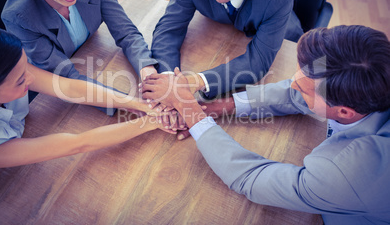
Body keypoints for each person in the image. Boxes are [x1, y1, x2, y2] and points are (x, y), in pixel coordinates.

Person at [141, 25, 390, 225]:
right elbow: (294, 91)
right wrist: (218, 107)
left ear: (345, 111)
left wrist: (189, 109)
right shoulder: (370, 79)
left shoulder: (349, 171)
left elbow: (250, 177)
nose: (291, 84)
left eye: (303, 88)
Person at [0, 25, 177, 169]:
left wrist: (141, 105)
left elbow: (70, 88)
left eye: (26, 67)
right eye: (21, 81)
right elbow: (77, 144)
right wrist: (153, 121)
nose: (31, 78)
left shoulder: (8, 65)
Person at [150, 0, 303, 99]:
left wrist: (196, 81)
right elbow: (168, 30)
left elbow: (258, 62)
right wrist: (168, 79)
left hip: (286, 41)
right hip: (222, 32)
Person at [1, 0, 158, 89]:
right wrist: (128, 102)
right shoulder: (19, 17)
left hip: (92, 52)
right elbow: (66, 76)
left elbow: (126, 32)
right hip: (59, 81)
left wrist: (148, 72)